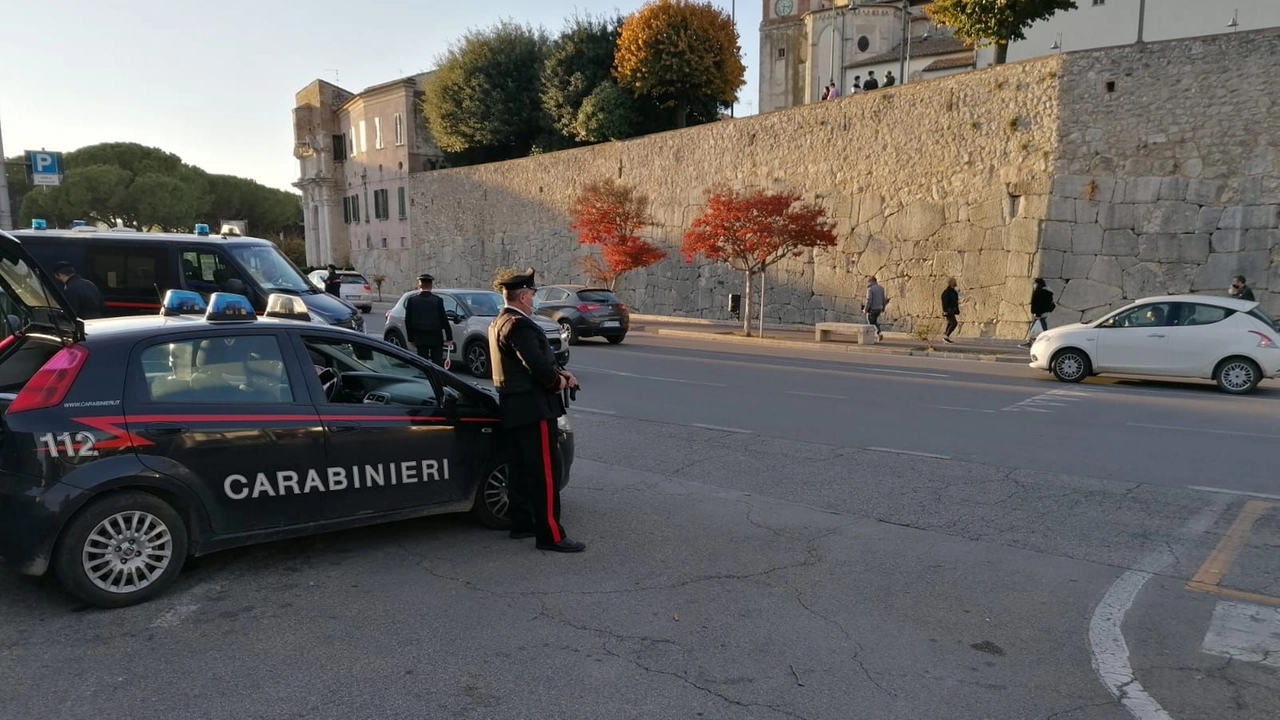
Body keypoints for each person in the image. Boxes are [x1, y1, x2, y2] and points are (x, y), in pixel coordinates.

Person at [489, 268, 585, 553]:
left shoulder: (499, 321)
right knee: (545, 473)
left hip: (514, 407)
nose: (534, 297)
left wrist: (562, 373)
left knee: (520, 469)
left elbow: (533, 362)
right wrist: (557, 381)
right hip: (534, 409)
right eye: (532, 292)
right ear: (522, 295)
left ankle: (522, 522)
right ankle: (550, 534)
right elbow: (535, 364)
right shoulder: (520, 325)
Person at [403, 273, 453, 365]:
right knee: (437, 363)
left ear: (419, 285)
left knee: (422, 363)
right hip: (436, 337)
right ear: (431, 286)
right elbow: (444, 319)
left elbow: (407, 321)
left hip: (419, 337)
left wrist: (411, 338)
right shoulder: (438, 300)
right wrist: (449, 337)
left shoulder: (412, 300)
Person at [1020, 278, 1056, 348]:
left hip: (1039, 314)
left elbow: (1039, 304)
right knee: (1042, 327)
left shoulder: (1039, 292)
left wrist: (1038, 314)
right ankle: (1045, 341)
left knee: (1034, 327)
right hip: (1043, 313)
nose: (1034, 285)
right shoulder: (1047, 292)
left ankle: (1030, 342)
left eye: (1035, 283)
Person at [862, 276, 887, 341]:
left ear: (870, 281)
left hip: (872, 309)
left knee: (870, 324)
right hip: (878, 309)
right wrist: (883, 308)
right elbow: (883, 299)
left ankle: (872, 338)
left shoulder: (870, 289)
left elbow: (869, 300)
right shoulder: (881, 288)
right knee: (874, 322)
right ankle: (879, 332)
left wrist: (865, 309)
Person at [940, 278, 960, 344]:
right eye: (954, 282)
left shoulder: (953, 292)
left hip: (952, 310)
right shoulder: (947, 292)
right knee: (954, 323)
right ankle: (946, 336)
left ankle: (946, 336)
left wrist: (956, 310)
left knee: (950, 323)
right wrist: (945, 310)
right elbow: (944, 302)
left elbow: (955, 301)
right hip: (948, 310)